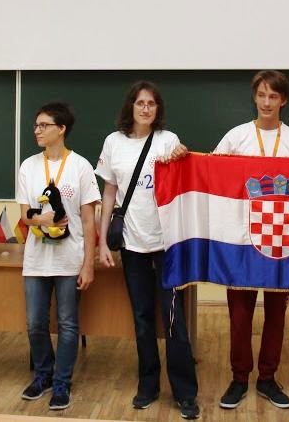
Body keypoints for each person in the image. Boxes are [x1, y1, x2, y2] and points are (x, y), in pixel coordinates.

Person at [214, 70, 289, 410]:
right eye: (261, 95)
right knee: (239, 315)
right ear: (254, 97)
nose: (267, 102)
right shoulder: (236, 137)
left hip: (283, 242)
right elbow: (210, 173)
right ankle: (239, 377)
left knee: (276, 315)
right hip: (242, 240)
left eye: (274, 96)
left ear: (283, 100)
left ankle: (268, 378)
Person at [96, 81, 199, 419]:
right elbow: (109, 193)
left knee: (173, 319)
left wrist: (182, 157)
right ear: (131, 106)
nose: (145, 109)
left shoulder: (168, 140)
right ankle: (148, 385)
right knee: (142, 318)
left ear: (158, 109)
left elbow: (184, 174)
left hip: (167, 244)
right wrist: (102, 241)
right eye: (140, 103)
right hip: (132, 243)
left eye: (151, 104)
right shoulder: (114, 142)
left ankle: (185, 392)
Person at [17, 102, 100, 411]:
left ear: (61, 129)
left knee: (67, 323)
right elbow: (24, 215)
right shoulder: (28, 166)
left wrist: (88, 264)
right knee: (35, 323)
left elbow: (89, 220)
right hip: (36, 259)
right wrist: (43, 219)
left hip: (70, 258)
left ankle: (62, 382)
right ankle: (43, 375)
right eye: (36, 125)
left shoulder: (80, 166)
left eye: (44, 125)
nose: (37, 130)